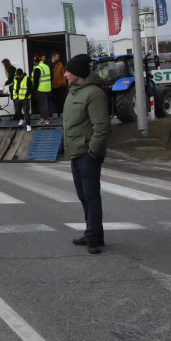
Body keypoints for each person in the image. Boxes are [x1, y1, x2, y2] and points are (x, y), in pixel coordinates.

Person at [62, 54, 111, 254]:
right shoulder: (74, 92)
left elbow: (102, 126)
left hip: (87, 154)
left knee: (91, 196)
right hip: (75, 152)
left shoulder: (93, 94)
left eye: (68, 71)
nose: (65, 75)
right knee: (83, 195)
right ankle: (93, 232)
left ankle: (93, 237)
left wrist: (92, 152)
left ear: (78, 74)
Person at [32, 54, 52, 124]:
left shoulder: (38, 68)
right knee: (45, 104)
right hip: (48, 88)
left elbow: (36, 81)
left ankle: (45, 119)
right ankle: (43, 118)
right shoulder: (46, 66)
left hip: (41, 89)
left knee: (42, 105)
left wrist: (34, 89)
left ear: (35, 61)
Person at [50, 52, 67, 119]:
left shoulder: (60, 65)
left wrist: (63, 83)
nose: (59, 58)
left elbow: (63, 74)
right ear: (54, 57)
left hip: (59, 85)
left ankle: (59, 113)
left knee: (59, 100)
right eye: (57, 57)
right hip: (50, 86)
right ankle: (52, 114)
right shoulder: (49, 64)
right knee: (52, 100)